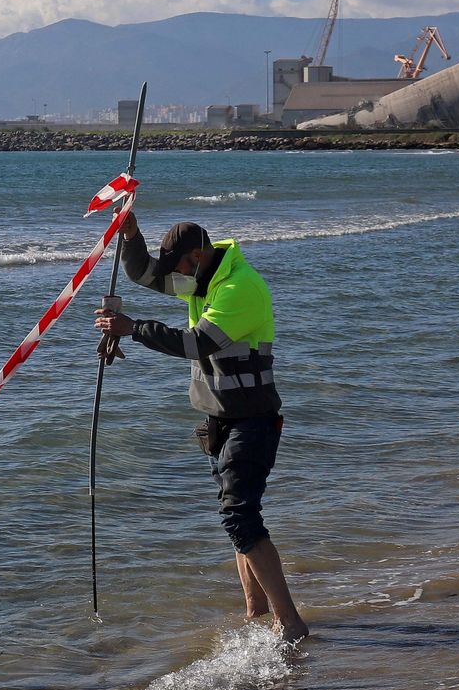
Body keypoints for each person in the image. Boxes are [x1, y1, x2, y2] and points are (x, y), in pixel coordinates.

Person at [93, 212, 308, 641]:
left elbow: (197, 343)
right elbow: (144, 275)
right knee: (238, 519)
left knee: (240, 518)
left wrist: (133, 329)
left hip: (253, 419)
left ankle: (290, 624)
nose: (176, 278)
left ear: (196, 257)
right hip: (220, 420)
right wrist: (131, 237)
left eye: (179, 269)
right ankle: (256, 611)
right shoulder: (202, 278)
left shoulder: (240, 287)